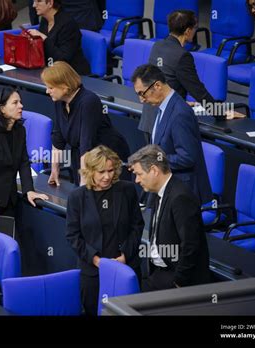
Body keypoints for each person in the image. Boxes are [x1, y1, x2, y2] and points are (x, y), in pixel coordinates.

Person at [139, 10, 243, 141]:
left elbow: (164, 80)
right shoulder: (182, 56)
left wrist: (180, 99)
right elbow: (198, 90)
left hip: (149, 119)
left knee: (152, 160)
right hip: (166, 125)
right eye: (195, 28)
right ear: (188, 31)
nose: (195, 31)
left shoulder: (157, 46)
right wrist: (221, 113)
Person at [66, 145, 144, 315]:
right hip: (92, 273)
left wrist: (125, 256)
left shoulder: (127, 190)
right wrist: (96, 260)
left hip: (125, 268)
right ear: (91, 171)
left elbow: (137, 226)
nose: (107, 176)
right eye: (101, 172)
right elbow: (72, 236)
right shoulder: (77, 197)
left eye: (110, 170)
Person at [128, 145, 211, 291]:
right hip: (160, 272)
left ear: (154, 170)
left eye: (139, 174)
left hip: (176, 280)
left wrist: (179, 281)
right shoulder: (157, 192)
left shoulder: (180, 197)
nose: (136, 180)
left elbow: (191, 244)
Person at [132, 64, 212, 205]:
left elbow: (187, 157)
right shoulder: (162, 107)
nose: (141, 100)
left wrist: (154, 162)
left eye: (142, 93)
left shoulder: (180, 113)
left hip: (183, 193)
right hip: (168, 189)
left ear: (157, 86)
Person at [41, 61, 130, 186]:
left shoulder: (88, 101)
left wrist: (84, 182)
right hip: (83, 158)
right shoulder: (59, 100)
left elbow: (86, 144)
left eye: (50, 88)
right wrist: (55, 170)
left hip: (106, 158)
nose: (47, 91)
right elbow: (58, 139)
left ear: (65, 87)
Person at [0, 86, 49, 228]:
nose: (21, 106)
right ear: (1, 109)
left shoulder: (20, 130)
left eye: (20, 102)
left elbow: (24, 162)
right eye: (15, 103)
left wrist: (29, 190)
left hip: (9, 201)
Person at [27, 0, 91, 75]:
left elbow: (62, 59)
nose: (34, 5)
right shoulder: (45, 20)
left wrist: (44, 38)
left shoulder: (68, 24)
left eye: (39, 1)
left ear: (50, 3)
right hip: (52, 71)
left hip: (71, 74)